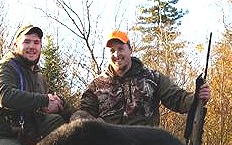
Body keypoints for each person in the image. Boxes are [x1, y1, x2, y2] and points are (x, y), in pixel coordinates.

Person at [71, 29, 211, 127]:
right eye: (112, 51)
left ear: (130, 50)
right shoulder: (97, 85)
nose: (116, 54)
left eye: (120, 48)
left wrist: (197, 98)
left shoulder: (152, 77)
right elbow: (85, 113)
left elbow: (177, 98)